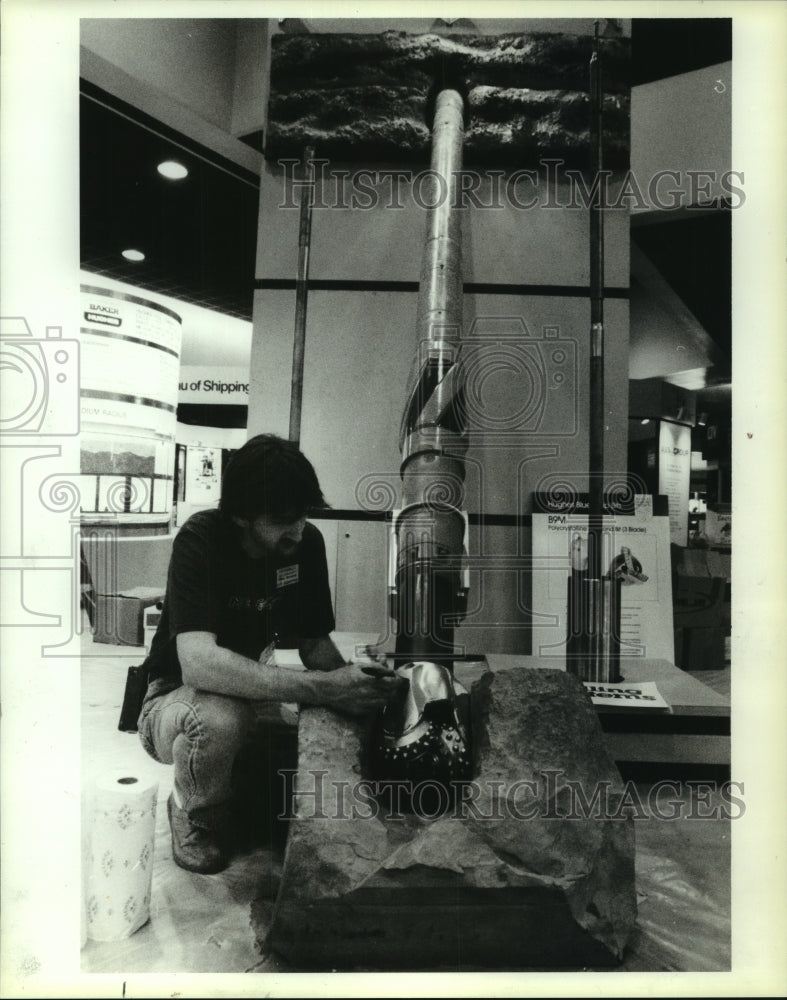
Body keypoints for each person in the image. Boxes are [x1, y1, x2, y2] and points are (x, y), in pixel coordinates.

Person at [137, 434, 403, 874]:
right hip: (174, 697)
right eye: (282, 519)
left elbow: (314, 644)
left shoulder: (305, 545)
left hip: (251, 689)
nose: (297, 530)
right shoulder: (200, 541)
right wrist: (322, 687)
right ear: (241, 516)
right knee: (220, 720)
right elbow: (199, 662)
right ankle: (192, 811)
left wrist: (355, 686)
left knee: (304, 736)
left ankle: (221, 787)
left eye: (302, 515)